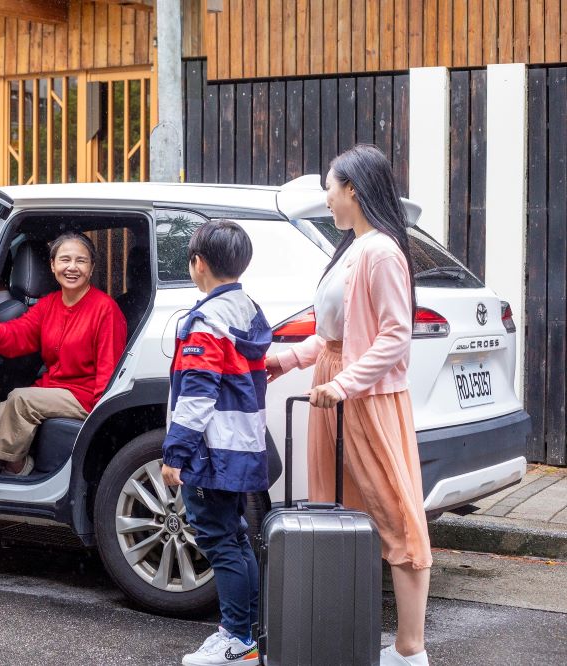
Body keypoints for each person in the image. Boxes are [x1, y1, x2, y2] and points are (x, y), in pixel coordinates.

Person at [266, 144, 432, 666]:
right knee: (337, 508)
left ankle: (410, 650)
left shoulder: (381, 251)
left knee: (397, 518)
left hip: (364, 397)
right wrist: (288, 359)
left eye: (329, 189)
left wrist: (344, 384)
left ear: (352, 190)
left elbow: (395, 337)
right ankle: (345, 635)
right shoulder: (354, 249)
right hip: (335, 390)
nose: (326, 199)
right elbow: (331, 335)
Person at [161, 220, 271, 666]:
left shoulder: (206, 320)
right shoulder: (248, 311)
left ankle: (236, 638)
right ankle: (251, 634)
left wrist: (176, 452)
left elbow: (197, 394)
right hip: (242, 443)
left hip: (210, 450)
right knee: (236, 539)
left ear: (198, 263)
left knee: (220, 541)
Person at [0, 232, 127, 476]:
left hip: (86, 396)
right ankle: (19, 471)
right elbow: (19, 334)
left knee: (21, 398)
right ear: (52, 265)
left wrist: (101, 417)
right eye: (64, 259)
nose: (72, 267)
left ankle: (6, 470)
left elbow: (109, 369)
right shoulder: (49, 304)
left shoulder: (105, 309)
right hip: (54, 388)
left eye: (81, 261)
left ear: (91, 268)